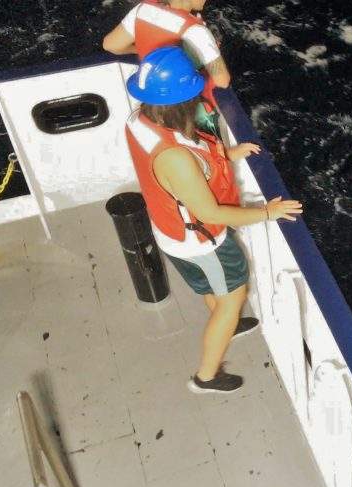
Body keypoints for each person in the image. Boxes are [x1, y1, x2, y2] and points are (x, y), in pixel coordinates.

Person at [124, 47, 302, 394]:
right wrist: (268, 213)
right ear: (184, 100)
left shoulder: (138, 121)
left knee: (213, 289)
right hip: (202, 243)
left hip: (170, 232)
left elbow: (191, 160)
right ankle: (206, 376)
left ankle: (227, 320)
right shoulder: (176, 158)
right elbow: (210, 213)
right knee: (233, 297)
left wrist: (226, 154)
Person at [103, 0, 231, 93]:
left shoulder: (142, 9)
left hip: (148, 87)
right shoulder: (195, 30)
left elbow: (111, 45)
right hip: (179, 96)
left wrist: (144, 51)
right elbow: (222, 81)